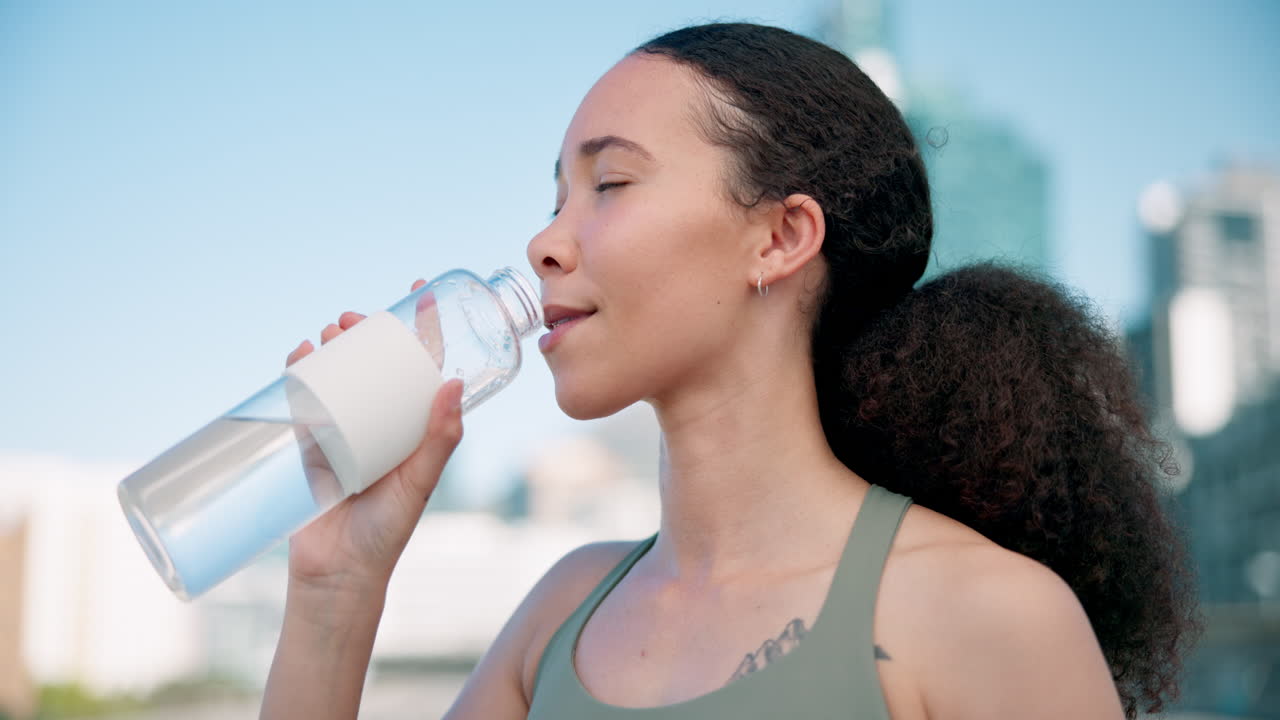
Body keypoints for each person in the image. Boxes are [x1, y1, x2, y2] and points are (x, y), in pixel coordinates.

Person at [261, 22, 1199, 720]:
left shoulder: (984, 612)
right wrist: (336, 586)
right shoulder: (561, 614)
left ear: (781, 237)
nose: (545, 241)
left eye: (610, 184)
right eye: (554, 196)